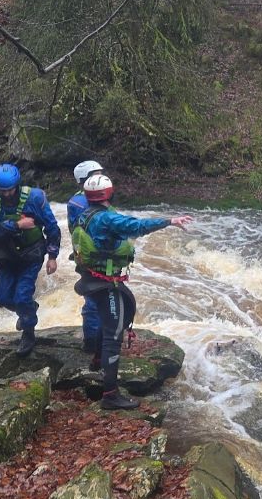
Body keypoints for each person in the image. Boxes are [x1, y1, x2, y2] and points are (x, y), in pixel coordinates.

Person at [71, 173, 193, 410]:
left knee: (114, 318)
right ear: (109, 193)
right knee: (114, 333)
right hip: (105, 283)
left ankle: (98, 359)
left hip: (92, 278)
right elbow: (136, 226)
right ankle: (110, 394)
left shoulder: (85, 214)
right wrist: (169, 221)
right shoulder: (106, 219)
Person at [0, 163, 61, 357]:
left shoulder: (35, 198)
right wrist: (16, 225)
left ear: (17, 185)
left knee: (22, 296)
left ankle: (28, 332)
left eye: (10, 190)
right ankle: (28, 310)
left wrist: (52, 256)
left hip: (31, 255)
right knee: (2, 296)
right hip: (5, 256)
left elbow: (52, 228)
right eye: (2, 190)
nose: (7, 194)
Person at [67, 160, 105, 358]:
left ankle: (96, 340)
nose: (101, 178)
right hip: (90, 258)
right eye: (96, 174)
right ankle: (92, 342)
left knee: (99, 299)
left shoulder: (84, 199)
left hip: (91, 256)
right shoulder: (81, 202)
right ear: (85, 179)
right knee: (93, 300)